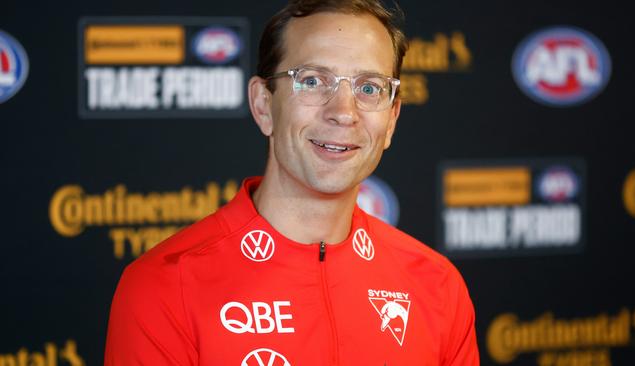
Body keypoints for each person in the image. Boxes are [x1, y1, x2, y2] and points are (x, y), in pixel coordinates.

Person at [104, 0, 480, 365]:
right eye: (313, 81)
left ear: (392, 120)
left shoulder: (438, 285)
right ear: (264, 105)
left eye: (369, 88)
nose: (343, 113)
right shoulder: (165, 287)